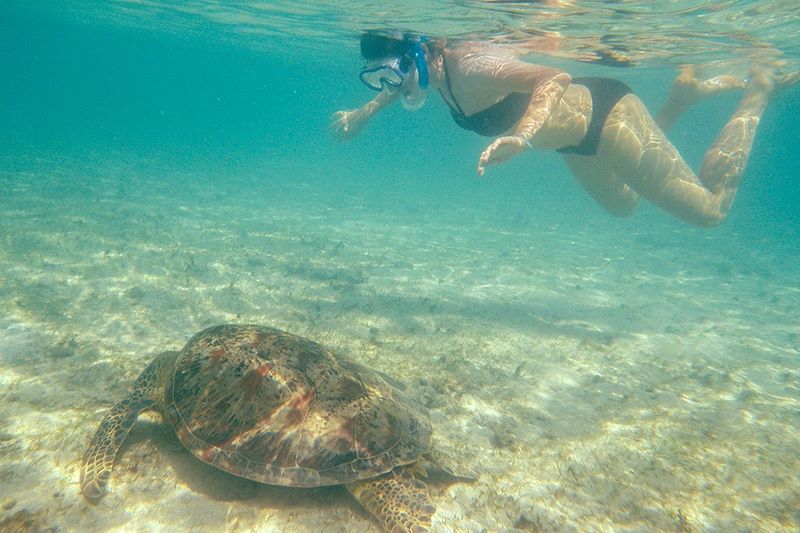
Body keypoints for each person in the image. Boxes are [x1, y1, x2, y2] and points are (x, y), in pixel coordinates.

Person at [331, 32, 796, 227]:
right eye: (380, 77)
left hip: (604, 116)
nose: (393, 84)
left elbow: (553, 78)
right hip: (576, 143)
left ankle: (758, 90)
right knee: (625, 205)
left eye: (392, 72)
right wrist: (362, 114)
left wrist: (524, 135)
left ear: (416, 53)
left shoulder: (470, 66)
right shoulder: (424, 71)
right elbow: (399, 88)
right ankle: (679, 100)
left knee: (710, 212)